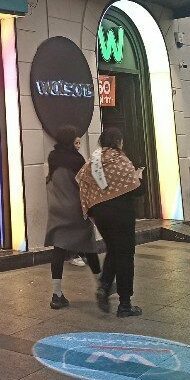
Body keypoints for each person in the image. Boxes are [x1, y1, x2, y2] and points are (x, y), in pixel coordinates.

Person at [76, 127, 144, 318]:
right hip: (122, 215)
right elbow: (136, 189)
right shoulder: (120, 160)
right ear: (118, 142)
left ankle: (104, 286)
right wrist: (138, 177)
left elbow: (82, 183)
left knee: (114, 249)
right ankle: (125, 304)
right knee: (125, 255)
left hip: (101, 216)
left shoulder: (93, 162)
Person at [44, 125, 101, 309]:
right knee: (89, 246)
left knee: (59, 250)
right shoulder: (76, 159)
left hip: (57, 209)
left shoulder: (53, 157)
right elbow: (85, 186)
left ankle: (57, 294)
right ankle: (102, 285)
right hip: (75, 209)